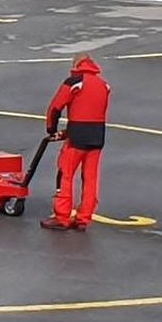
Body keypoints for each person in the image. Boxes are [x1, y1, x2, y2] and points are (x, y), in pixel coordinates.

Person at [40, 54, 110, 231]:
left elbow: (55, 107)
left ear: (76, 64)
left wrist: (51, 130)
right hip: (98, 136)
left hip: (77, 137)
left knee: (66, 174)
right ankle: (83, 219)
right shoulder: (104, 85)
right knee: (90, 178)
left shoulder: (74, 81)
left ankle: (62, 217)